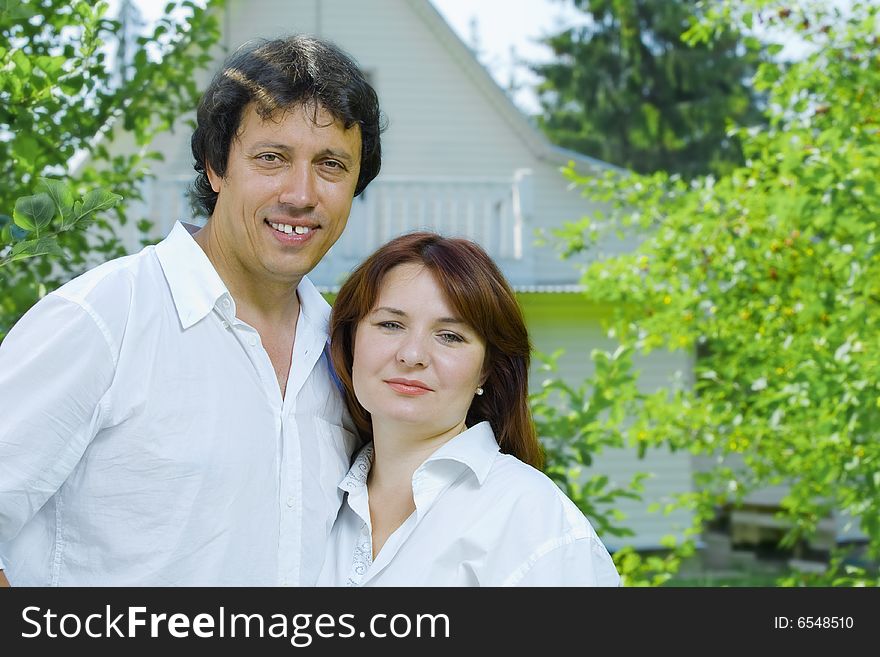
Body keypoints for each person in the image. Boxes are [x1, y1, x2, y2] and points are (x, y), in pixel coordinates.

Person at [0, 34, 383, 586]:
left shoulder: (349, 354)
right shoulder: (104, 320)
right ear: (215, 166)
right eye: (271, 158)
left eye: (331, 165)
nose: (301, 193)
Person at [317, 232, 620, 586]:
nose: (412, 355)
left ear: (487, 369)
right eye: (391, 325)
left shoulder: (530, 517)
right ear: (350, 340)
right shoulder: (319, 500)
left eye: (450, 336)